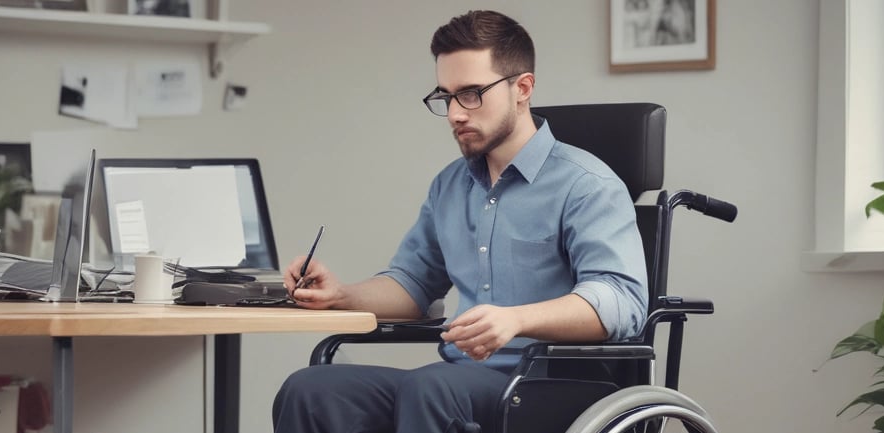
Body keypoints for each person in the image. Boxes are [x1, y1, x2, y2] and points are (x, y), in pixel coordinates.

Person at [272, 10, 648, 433]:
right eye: (447, 96)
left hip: (558, 386)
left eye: (471, 94)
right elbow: (412, 287)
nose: (455, 113)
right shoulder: (450, 186)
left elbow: (621, 302)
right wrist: (340, 294)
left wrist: (516, 319)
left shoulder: (586, 184)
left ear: (522, 88)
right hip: (460, 384)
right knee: (311, 390)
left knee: (433, 387)